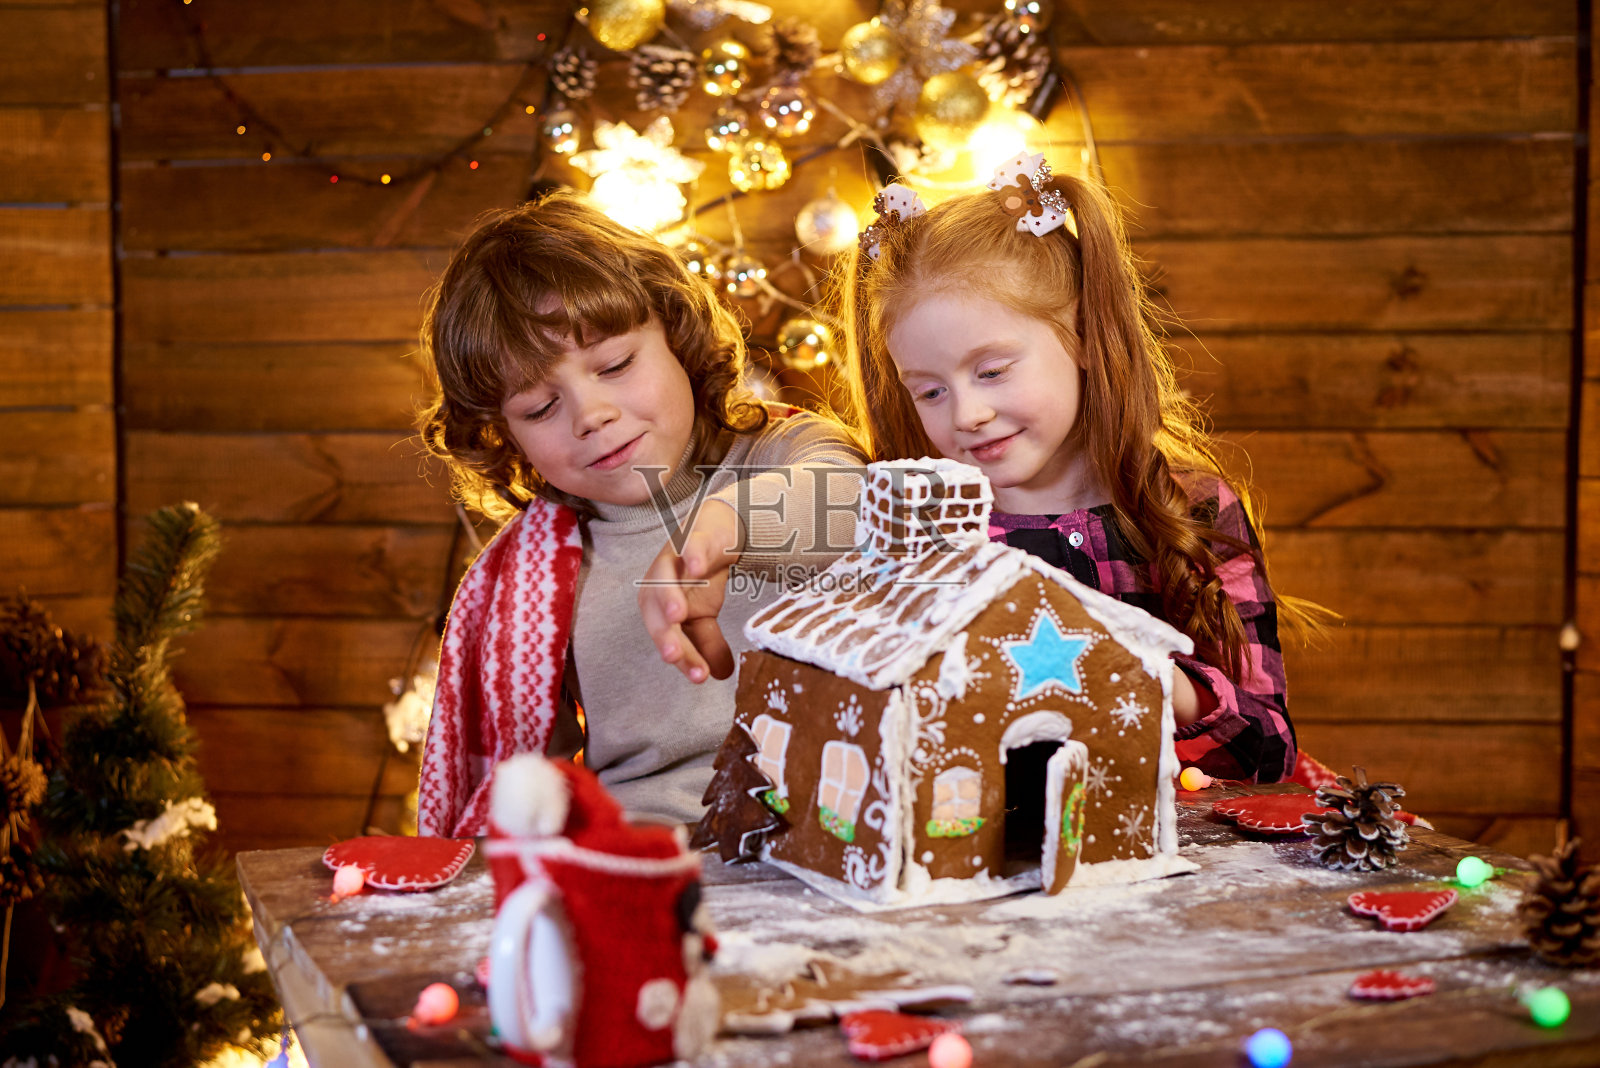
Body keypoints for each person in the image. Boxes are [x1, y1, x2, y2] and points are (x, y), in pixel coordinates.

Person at [836, 155, 1324, 783]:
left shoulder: (1189, 505)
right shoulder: (923, 524)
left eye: (991, 371)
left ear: (1086, 336)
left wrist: (1156, 675)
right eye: (929, 391)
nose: (969, 413)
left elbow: (1268, 751)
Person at [415, 192, 863, 836]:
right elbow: (518, 790)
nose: (590, 414)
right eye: (541, 408)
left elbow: (856, 504)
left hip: (826, 822)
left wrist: (719, 532)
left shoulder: (787, 453)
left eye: (616, 365)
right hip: (647, 853)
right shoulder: (535, 581)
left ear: (677, 336)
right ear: (503, 435)